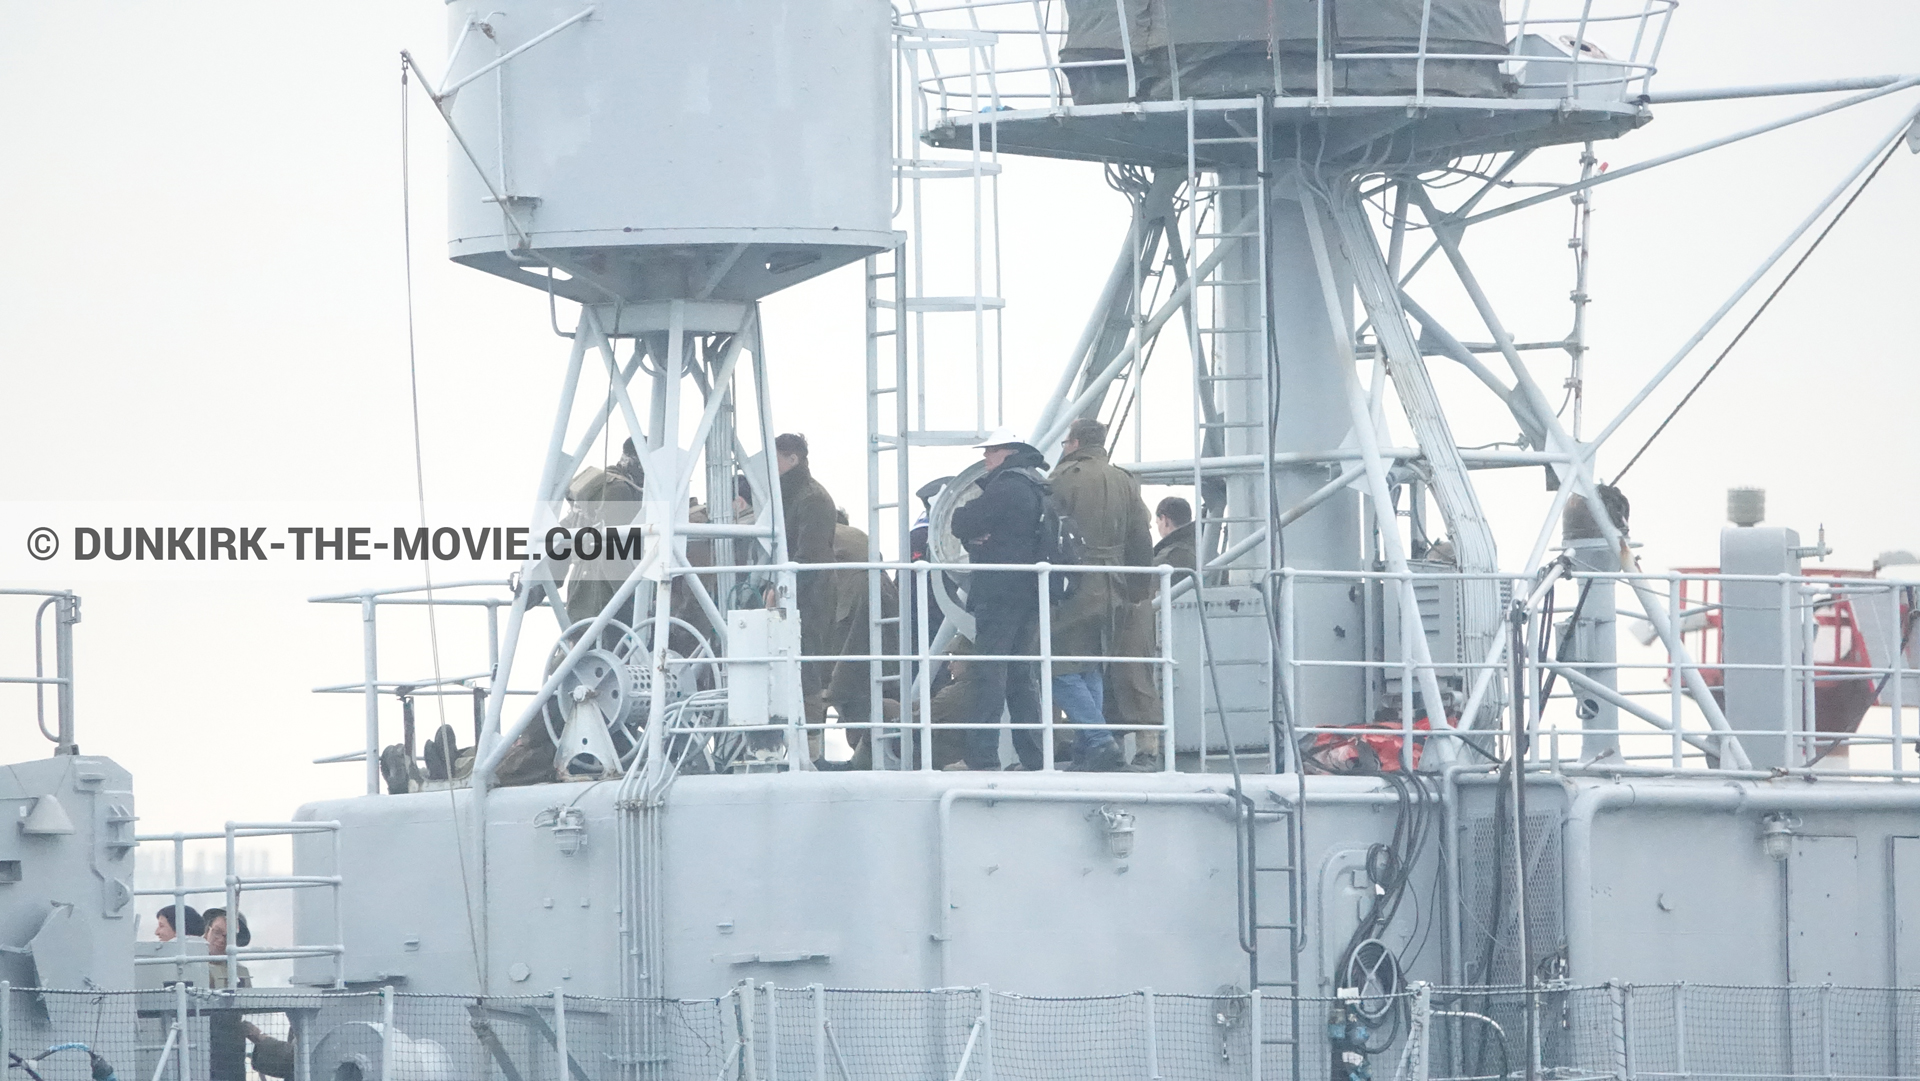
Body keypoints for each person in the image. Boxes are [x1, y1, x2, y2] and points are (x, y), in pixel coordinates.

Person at [1046, 417, 1149, 772]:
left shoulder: (1063, 479)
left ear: (1073, 443)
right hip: (1115, 584)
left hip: (1074, 583)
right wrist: (1138, 589)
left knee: (1055, 665)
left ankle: (1100, 740)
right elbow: (1140, 537)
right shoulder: (1124, 480)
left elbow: (1047, 533)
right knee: (1091, 663)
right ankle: (1087, 751)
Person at [948, 427, 1049, 770]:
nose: (985, 457)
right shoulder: (1037, 485)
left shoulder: (1006, 487)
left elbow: (962, 520)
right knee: (1021, 675)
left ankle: (982, 755)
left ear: (1008, 452)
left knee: (989, 672)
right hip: (1029, 592)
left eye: (991, 451)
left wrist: (977, 537)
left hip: (999, 591)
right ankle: (1035, 757)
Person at [777, 433, 838, 753]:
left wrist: (781, 589)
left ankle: (811, 746)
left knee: (808, 669)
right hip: (801, 592)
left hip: (809, 596)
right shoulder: (798, 495)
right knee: (801, 666)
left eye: (776, 458)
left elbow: (810, 556)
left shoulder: (809, 498)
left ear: (792, 459)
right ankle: (805, 746)